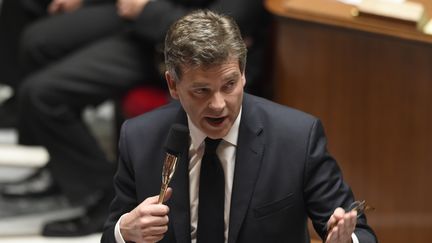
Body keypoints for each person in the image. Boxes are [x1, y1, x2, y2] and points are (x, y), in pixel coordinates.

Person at [101, 10, 377, 243]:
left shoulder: (296, 138)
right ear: (173, 85)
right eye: (202, 90)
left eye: (229, 85)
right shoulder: (139, 138)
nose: (218, 104)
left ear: (243, 74)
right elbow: (114, 232)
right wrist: (125, 231)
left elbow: (359, 231)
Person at [1, 0, 269, 237]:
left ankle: (104, 198)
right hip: (142, 35)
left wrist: (147, 9)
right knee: (38, 62)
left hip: (193, 64)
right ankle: (67, 173)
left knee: (41, 91)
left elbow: (221, 35)